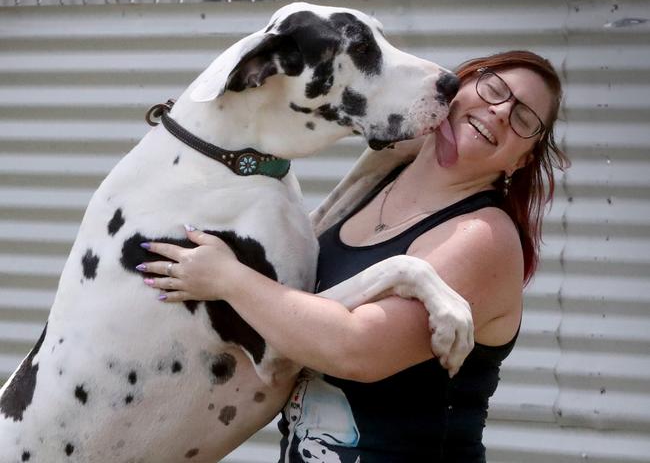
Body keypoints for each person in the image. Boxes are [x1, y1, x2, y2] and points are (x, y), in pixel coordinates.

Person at [139, 50, 570, 462]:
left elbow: (356, 349)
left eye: (523, 119)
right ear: (459, 86)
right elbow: (286, 313)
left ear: (522, 159)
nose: (500, 111)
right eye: (494, 88)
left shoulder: (482, 236)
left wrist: (228, 280)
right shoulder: (374, 185)